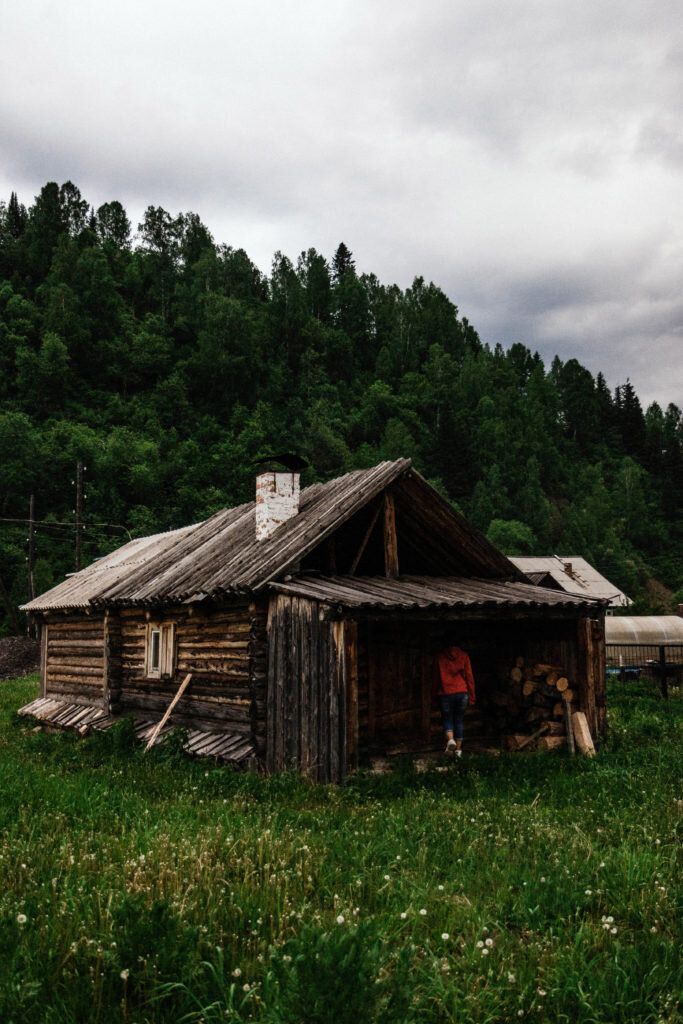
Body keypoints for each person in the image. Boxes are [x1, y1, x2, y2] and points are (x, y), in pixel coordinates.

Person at [432, 641, 476, 757]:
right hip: (462, 693)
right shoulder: (464, 655)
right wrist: (472, 697)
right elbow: (469, 677)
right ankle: (458, 751)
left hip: (445, 692)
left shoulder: (439, 657)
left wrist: (434, 695)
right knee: (459, 720)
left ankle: (451, 741)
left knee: (447, 719)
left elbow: (436, 678)